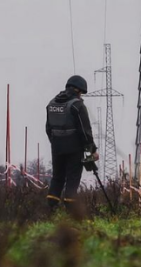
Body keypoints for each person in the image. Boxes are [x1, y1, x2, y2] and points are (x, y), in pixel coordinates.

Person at [45, 74, 98, 211]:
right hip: (75, 149)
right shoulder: (77, 106)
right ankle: (71, 210)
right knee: (73, 178)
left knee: (57, 178)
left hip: (57, 148)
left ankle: (51, 209)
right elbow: (85, 132)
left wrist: (55, 144)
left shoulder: (51, 104)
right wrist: (91, 152)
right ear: (78, 91)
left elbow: (48, 128)